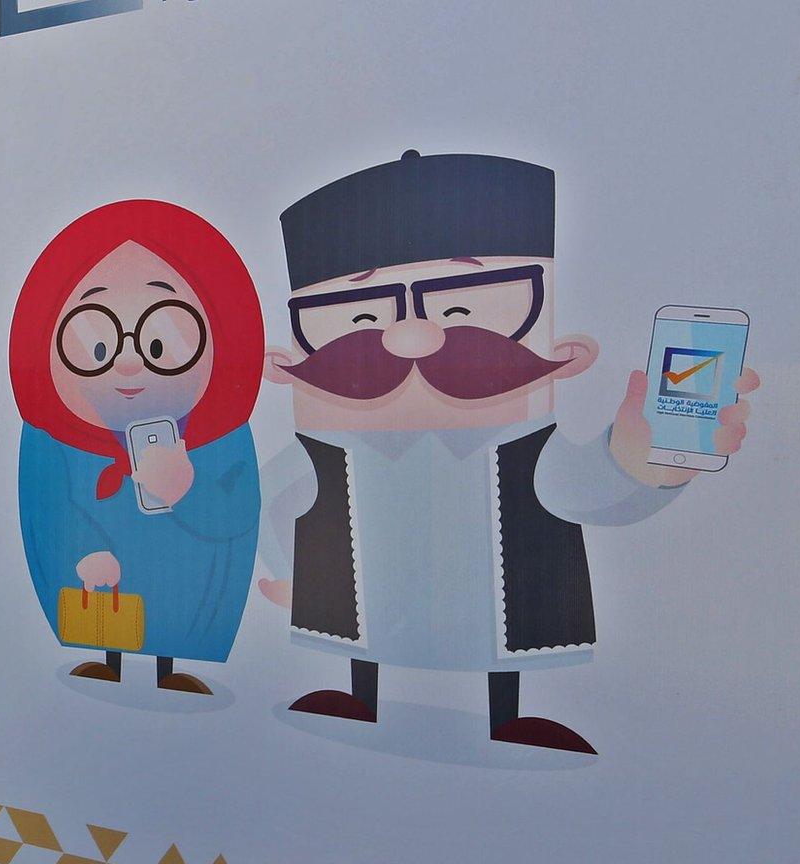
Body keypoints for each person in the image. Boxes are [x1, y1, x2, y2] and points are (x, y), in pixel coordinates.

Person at [257, 150, 758, 753]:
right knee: (362, 628)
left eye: (460, 305)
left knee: (503, 627)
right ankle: (360, 693)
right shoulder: (324, 451)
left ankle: (505, 714)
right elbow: (274, 502)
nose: (412, 335)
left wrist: (643, 461)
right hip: (359, 611)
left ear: (561, 344)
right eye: (363, 315)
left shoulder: (522, 445)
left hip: (500, 617)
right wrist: (286, 574)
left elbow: (583, 492)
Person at [11, 200, 265, 694]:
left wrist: (190, 489)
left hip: (190, 592)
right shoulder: (48, 443)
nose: (128, 364)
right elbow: (45, 512)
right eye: (96, 342)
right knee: (101, 610)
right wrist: (86, 553)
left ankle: (174, 666)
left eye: (161, 339)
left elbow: (237, 519)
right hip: (93, 587)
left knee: (179, 599)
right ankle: (110, 660)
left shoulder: (222, 441)